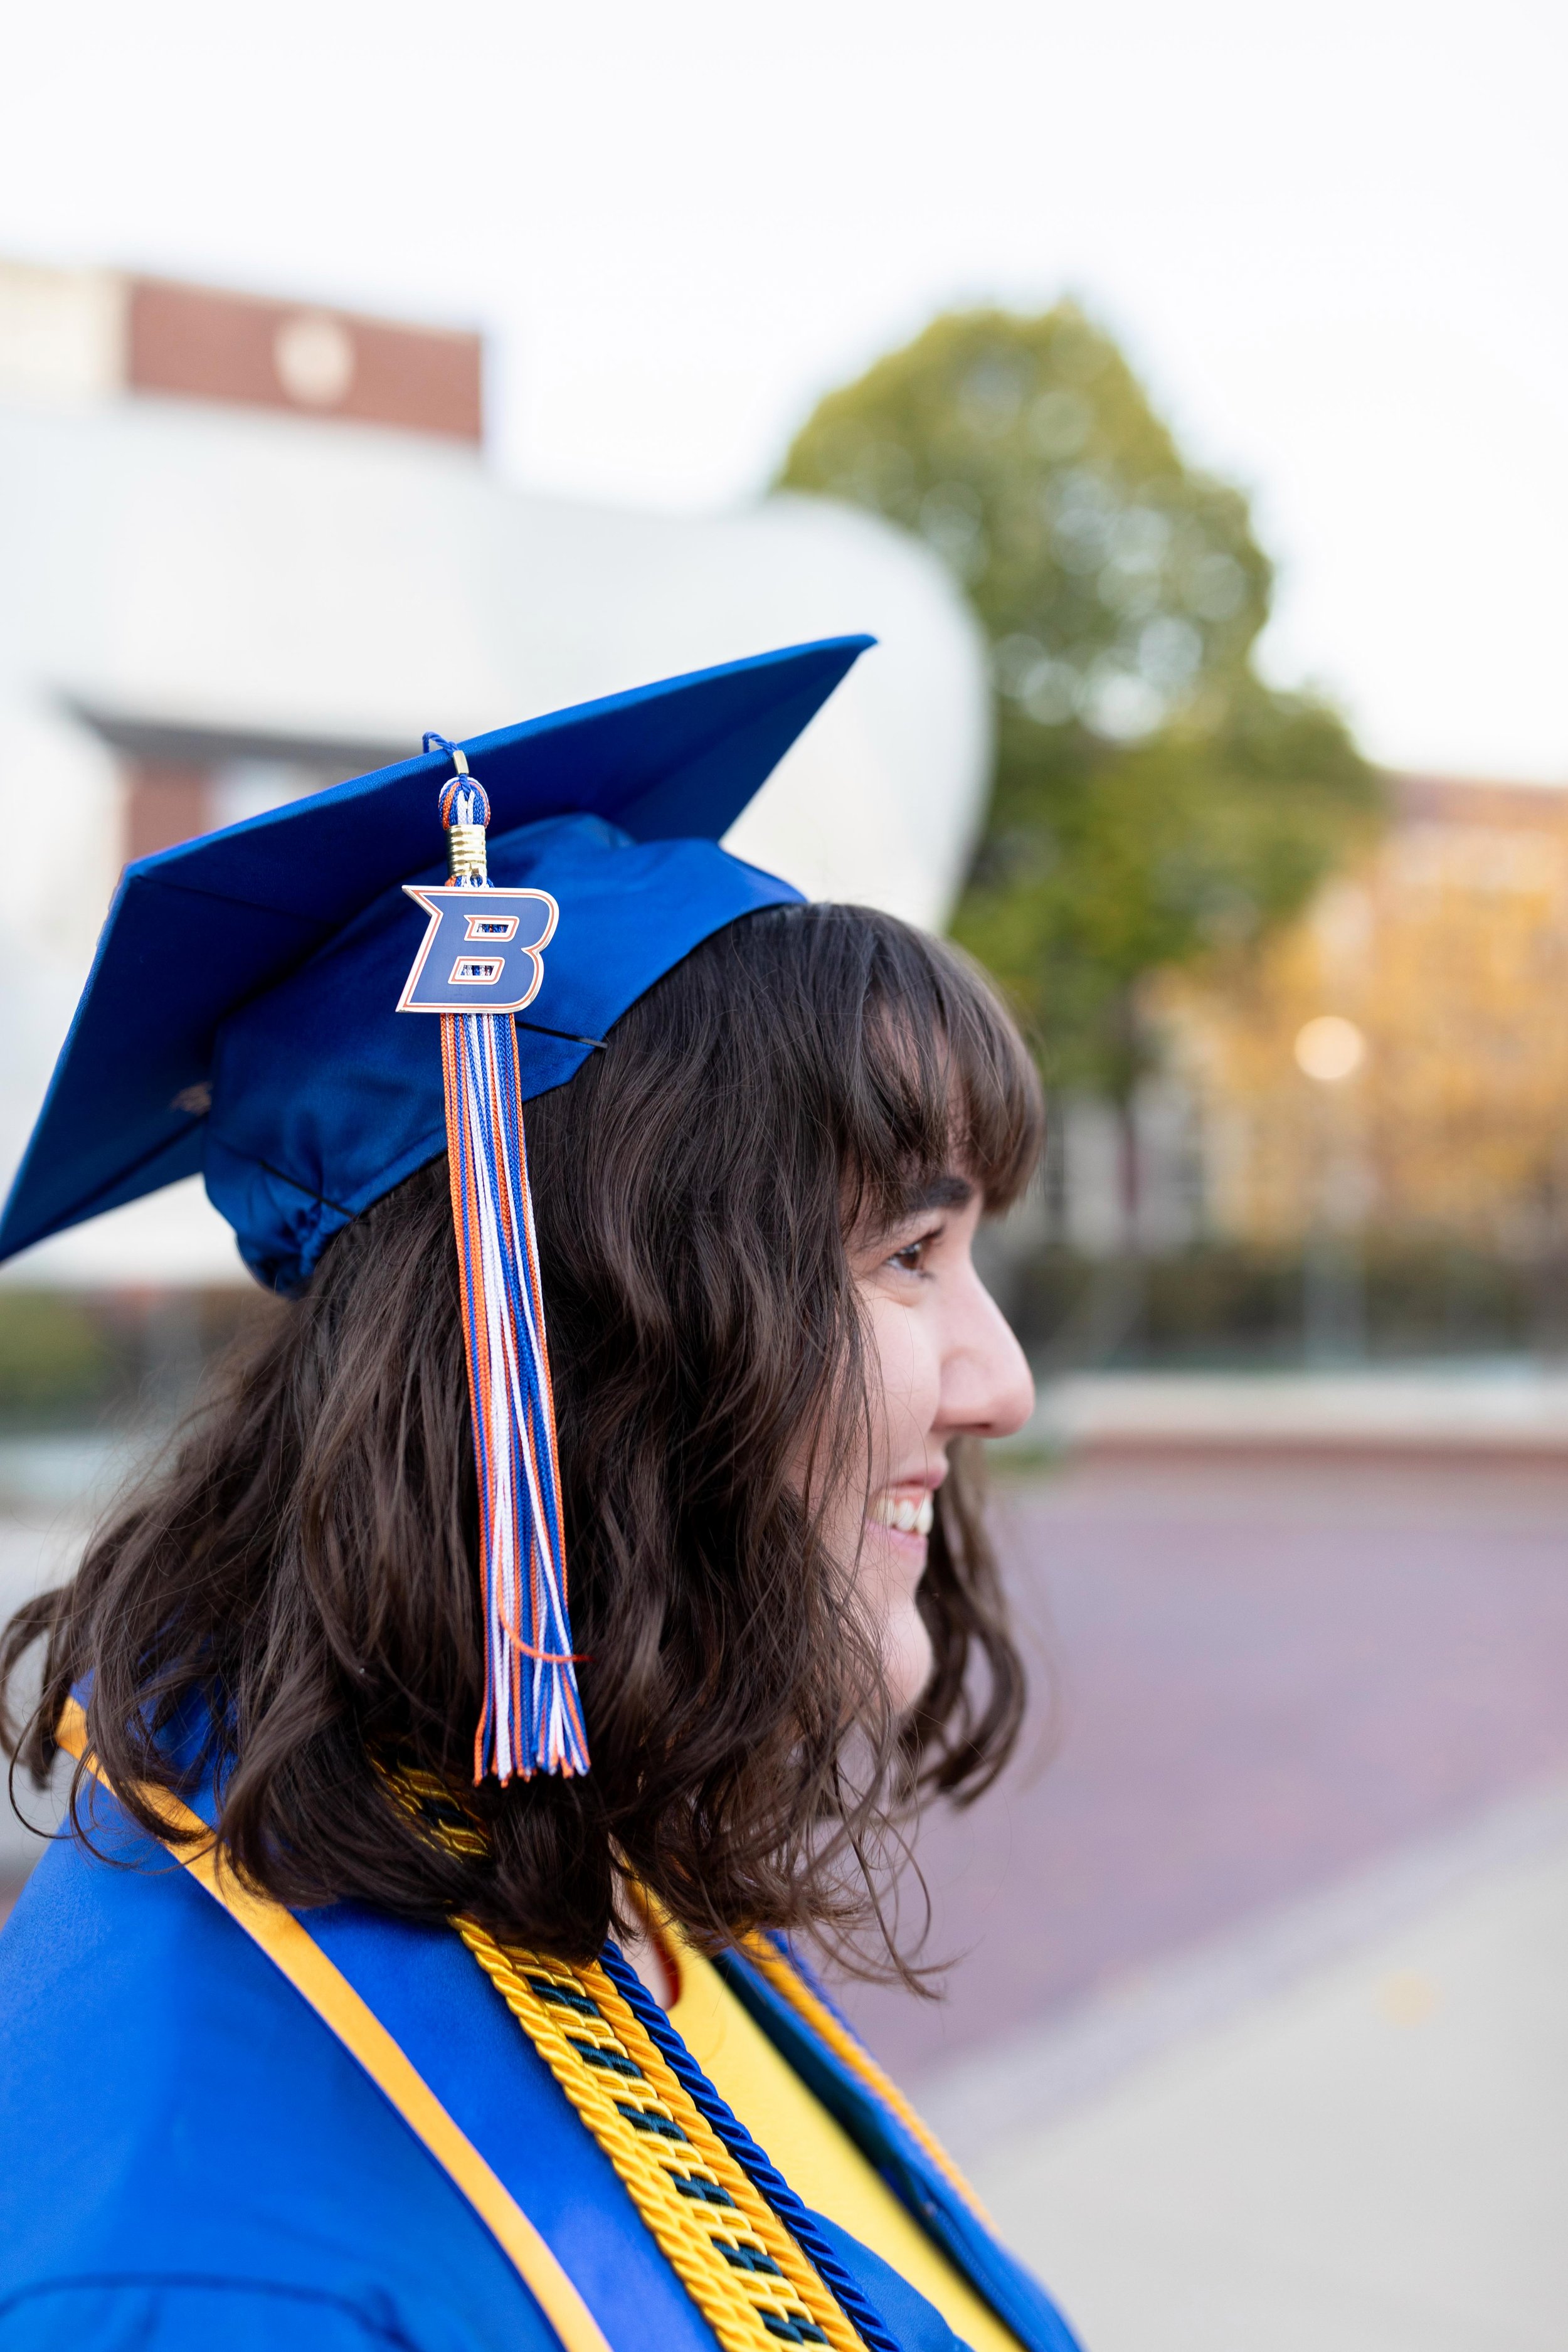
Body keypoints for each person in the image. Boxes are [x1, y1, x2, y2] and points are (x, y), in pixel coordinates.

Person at [0, 638, 1082, 2352]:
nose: (999, 1378)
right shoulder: (198, 2263)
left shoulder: (558, 1866)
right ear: (572, 1340)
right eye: (906, 1255)